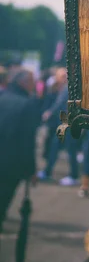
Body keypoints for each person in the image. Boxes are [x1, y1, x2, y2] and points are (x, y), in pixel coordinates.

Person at [0, 69, 38, 230]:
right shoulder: (28, 104)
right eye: (31, 81)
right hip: (11, 163)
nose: (34, 84)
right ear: (22, 82)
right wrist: (31, 170)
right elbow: (27, 140)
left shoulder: (2, 97)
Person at [37, 67, 79, 186]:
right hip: (66, 123)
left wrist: (49, 112)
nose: (62, 78)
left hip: (67, 123)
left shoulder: (67, 88)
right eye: (61, 76)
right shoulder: (67, 87)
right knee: (61, 148)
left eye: (64, 76)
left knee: (67, 149)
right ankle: (49, 171)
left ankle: (72, 175)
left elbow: (59, 103)